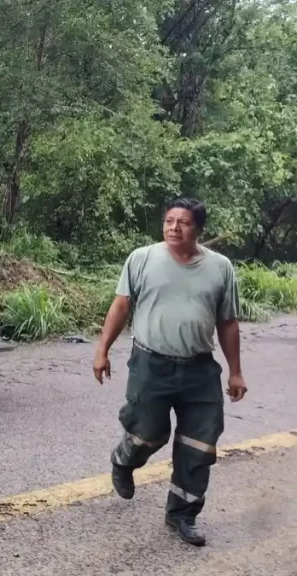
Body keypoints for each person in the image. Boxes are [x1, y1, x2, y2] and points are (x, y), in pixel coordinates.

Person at [92, 197, 247, 547]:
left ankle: (183, 513)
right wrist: (102, 351)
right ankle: (123, 461)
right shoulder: (142, 259)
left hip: (199, 370)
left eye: (184, 222)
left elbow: (228, 322)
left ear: (199, 229)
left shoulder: (220, 268)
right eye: (169, 221)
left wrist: (235, 372)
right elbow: (121, 306)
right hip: (151, 365)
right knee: (146, 432)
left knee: (199, 444)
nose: (174, 227)